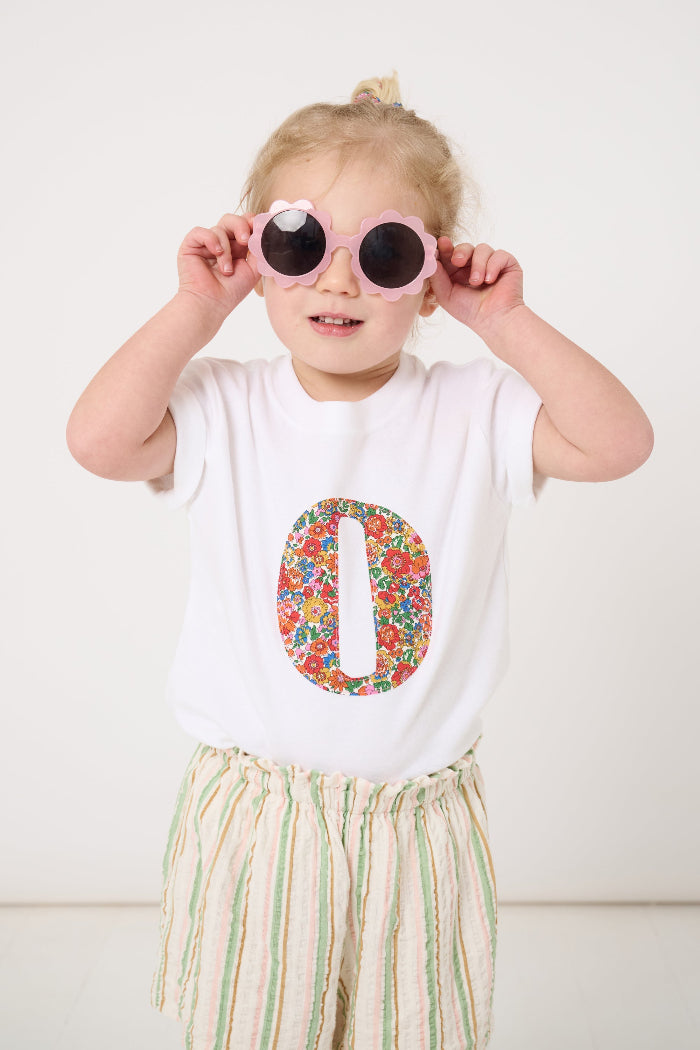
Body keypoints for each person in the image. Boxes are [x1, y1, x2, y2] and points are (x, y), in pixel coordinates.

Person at [66, 73, 653, 1050]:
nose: (337, 281)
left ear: (431, 278)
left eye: (383, 252)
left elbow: (618, 443)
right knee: (251, 1028)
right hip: (264, 813)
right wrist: (194, 311)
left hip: (417, 826)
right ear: (253, 255)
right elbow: (96, 442)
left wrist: (504, 323)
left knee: (409, 1028)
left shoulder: (475, 408)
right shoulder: (222, 404)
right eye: (298, 243)